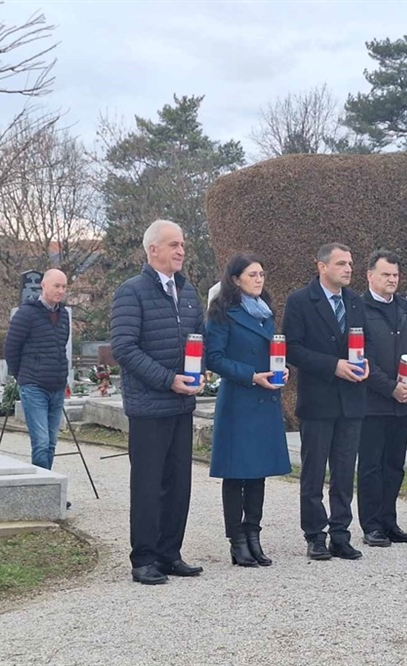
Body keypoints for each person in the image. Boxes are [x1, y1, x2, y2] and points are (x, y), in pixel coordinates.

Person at [110, 219, 206, 585]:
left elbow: (199, 337)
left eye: (182, 244)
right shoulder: (131, 292)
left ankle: (169, 553)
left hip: (182, 405)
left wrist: (201, 369)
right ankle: (144, 559)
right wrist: (169, 380)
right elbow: (124, 348)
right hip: (150, 406)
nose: (181, 250)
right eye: (173, 245)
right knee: (148, 485)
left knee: (179, 483)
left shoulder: (188, 292)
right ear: (153, 250)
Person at [282, 242, 370, 561]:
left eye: (350, 263)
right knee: (314, 473)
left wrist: (366, 363)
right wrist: (333, 366)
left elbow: (365, 342)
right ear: (322, 266)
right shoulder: (301, 301)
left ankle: (341, 534)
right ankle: (315, 535)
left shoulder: (356, 302)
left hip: (351, 402)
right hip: (318, 401)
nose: (348, 269)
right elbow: (293, 349)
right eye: (341, 263)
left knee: (345, 473)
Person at [205, 254, 292, 567]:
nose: (259, 279)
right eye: (252, 274)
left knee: (258, 474)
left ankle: (254, 535)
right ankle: (237, 540)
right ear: (235, 279)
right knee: (236, 473)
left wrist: (283, 370)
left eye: (262, 273)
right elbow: (213, 358)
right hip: (239, 402)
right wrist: (251, 375)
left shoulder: (265, 313)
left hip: (265, 401)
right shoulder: (222, 313)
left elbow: (275, 350)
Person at [359, 249, 407, 547]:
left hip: (404, 401)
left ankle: (389, 520)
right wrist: (389, 387)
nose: (391, 280)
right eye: (385, 274)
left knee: (395, 465)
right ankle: (371, 524)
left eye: (395, 275)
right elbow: (360, 357)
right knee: (372, 465)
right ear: (370, 275)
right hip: (373, 401)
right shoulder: (358, 308)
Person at [3, 268, 70, 472]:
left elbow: (61, 346)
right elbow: (11, 349)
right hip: (34, 386)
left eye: (64, 287)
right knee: (41, 443)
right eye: (56, 286)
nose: (60, 291)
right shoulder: (27, 314)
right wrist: (22, 376)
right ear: (43, 285)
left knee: (51, 443)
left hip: (56, 386)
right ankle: (43, 492)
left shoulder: (64, 315)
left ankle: (49, 488)